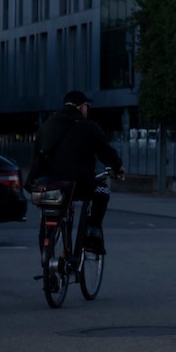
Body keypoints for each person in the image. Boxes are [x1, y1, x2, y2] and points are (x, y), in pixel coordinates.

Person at [29, 91, 123, 253]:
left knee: (52, 209)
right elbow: (106, 152)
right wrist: (117, 167)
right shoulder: (88, 126)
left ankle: (47, 253)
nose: (87, 109)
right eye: (87, 106)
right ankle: (93, 233)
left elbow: (37, 153)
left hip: (50, 185)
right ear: (81, 106)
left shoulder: (48, 125)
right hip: (80, 185)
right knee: (103, 191)